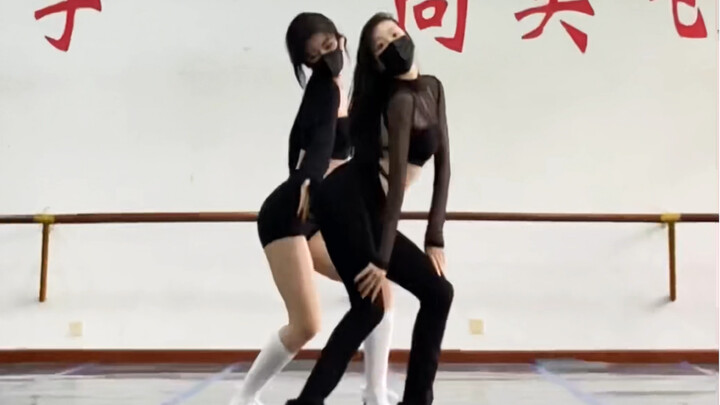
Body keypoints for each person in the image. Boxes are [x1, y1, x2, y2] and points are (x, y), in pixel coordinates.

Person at [286, 12, 453, 405]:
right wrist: (380, 258)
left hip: (365, 207)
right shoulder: (399, 101)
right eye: (381, 45)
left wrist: (435, 236)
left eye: (394, 34)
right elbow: (393, 192)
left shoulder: (433, 88)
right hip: (347, 205)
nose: (393, 44)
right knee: (377, 306)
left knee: (421, 297)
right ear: (376, 60)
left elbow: (444, 165)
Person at [229, 12, 396, 405]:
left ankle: (374, 391)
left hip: (319, 215)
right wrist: (308, 178)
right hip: (288, 215)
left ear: (339, 38)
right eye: (313, 56)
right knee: (306, 324)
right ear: (306, 64)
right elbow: (318, 145)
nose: (325, 57)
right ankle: (244, 396)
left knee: (378, 291)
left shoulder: (342, 89)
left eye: (328, 45)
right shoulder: (323, 91)